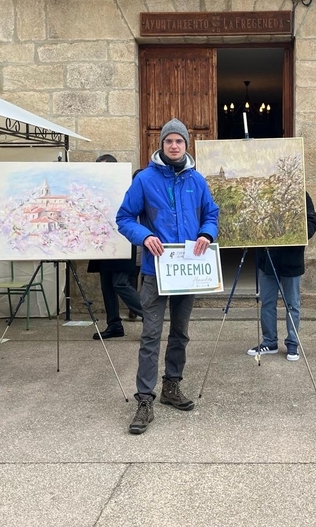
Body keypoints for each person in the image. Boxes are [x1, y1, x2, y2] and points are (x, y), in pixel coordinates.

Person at [116, 119, 219, 435]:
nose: (174, 145)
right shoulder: (145, 180)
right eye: (169, 141)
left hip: (186, 272)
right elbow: (124, 217)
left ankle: (171, 386)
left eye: (179, 141)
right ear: (161, 144)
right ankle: (144, 398)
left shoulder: (197, 181)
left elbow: (211, 214)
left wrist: (206, 232)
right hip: (155, 272)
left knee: (180, 333)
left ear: (186, 145)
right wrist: (144, 236)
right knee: (150, 335)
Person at [247, 192, 316, 361]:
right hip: (267, 258)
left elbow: (312, 223)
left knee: (292, 304)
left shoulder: (301, 192)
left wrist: (294, 229)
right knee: (267, 302)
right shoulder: (263, 193)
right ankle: (269, 341)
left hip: (291, 259)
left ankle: (292, 343)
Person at [87, 154, 144, 340]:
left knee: (120, 282)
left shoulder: (127, 186)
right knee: (106, 285)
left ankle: (151, 316)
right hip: (103, 242)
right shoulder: (96, 187)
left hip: (122, 240)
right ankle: (114, 325)